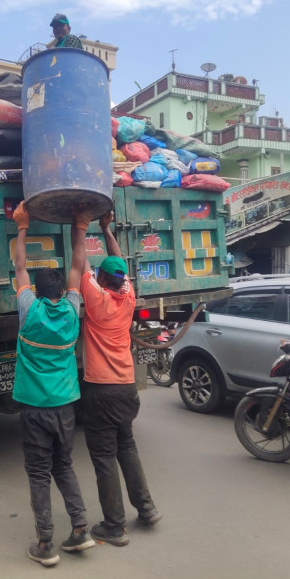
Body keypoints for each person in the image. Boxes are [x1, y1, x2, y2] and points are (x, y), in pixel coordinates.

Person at [12, 201, 94, 567]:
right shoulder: (73, 311)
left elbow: (19, 266)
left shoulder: (29, 310)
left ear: (37, 290)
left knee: (39, 474)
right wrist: (80, 227)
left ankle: (45, 544)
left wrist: (22, 228)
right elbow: (78, 265)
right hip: (64, 408)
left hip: (34, 408)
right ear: (63, 290)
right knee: (64, 467)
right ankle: (80, 529)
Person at [79, 211, 161, 547]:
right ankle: (147, 508)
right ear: (122, 280)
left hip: (100, 391)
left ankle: (114, 525)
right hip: (126, 389)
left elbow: (79, 260)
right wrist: (106, 229)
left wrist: (79, 226)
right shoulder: (127, 296)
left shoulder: (96, 299)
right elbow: (119, 261)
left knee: (103, 457)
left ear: (101, 278)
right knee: (126, 446)